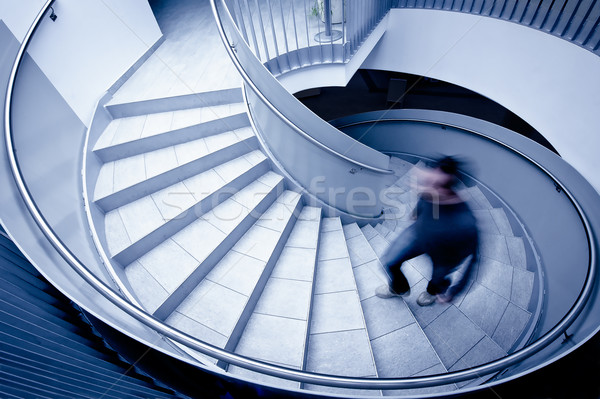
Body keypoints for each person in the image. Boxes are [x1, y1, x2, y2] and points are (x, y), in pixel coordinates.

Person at [376, 156, 479, 306]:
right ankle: (399, 288)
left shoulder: (465, 223)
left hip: (446, 253)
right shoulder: (429, 192)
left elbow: (474, 260)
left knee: (438, 278)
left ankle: (432, 291)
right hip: (419, 235)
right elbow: (424, 198)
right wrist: (416, 212)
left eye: (432, 184)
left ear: (446, 188)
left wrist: (455, 291)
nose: (422, 188)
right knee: (390, 262)